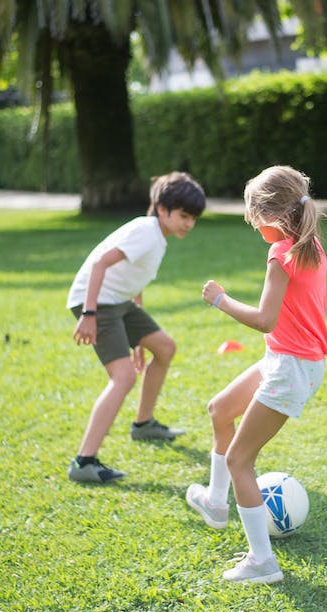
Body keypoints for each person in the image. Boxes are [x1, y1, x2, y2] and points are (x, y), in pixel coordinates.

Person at [186, 165, 327, 583]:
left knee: (240, 459)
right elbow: (322, 296)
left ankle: (262, 563)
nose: (255, 228)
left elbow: (264, 320)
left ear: (270, 217)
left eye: (254, 220)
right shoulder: (312, 247)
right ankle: (217, 504)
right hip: (289, 361)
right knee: (220, 409)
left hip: (290, 368)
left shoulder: (281, 254)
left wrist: (220, 299)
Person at [66, 172, 206, 483]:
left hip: (118, 301)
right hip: (97, 302)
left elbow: (135, 282)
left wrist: (139, 341)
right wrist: (88, 313)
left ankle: (143, 425)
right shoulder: (146, 231)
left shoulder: (157, 237)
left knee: (165, 347)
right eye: (184, 216)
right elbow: (101, 263)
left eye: (193, 218)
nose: (189, 224)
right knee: (124, 377)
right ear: (161, 208)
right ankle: (84, 461)